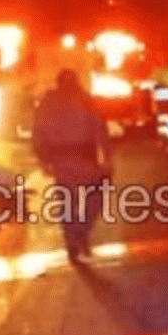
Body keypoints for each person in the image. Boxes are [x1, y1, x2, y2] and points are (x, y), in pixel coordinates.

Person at [32, 69, 112, 262]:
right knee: (93, 197)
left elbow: (38, 132)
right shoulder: (84, 99)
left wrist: (43, 159)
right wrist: (107, 157)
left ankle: (73, 239)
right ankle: (79, 234)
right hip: (83, 159)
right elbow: (99, 128)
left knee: (68, 201)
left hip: (62, 160)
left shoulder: (48, 102)